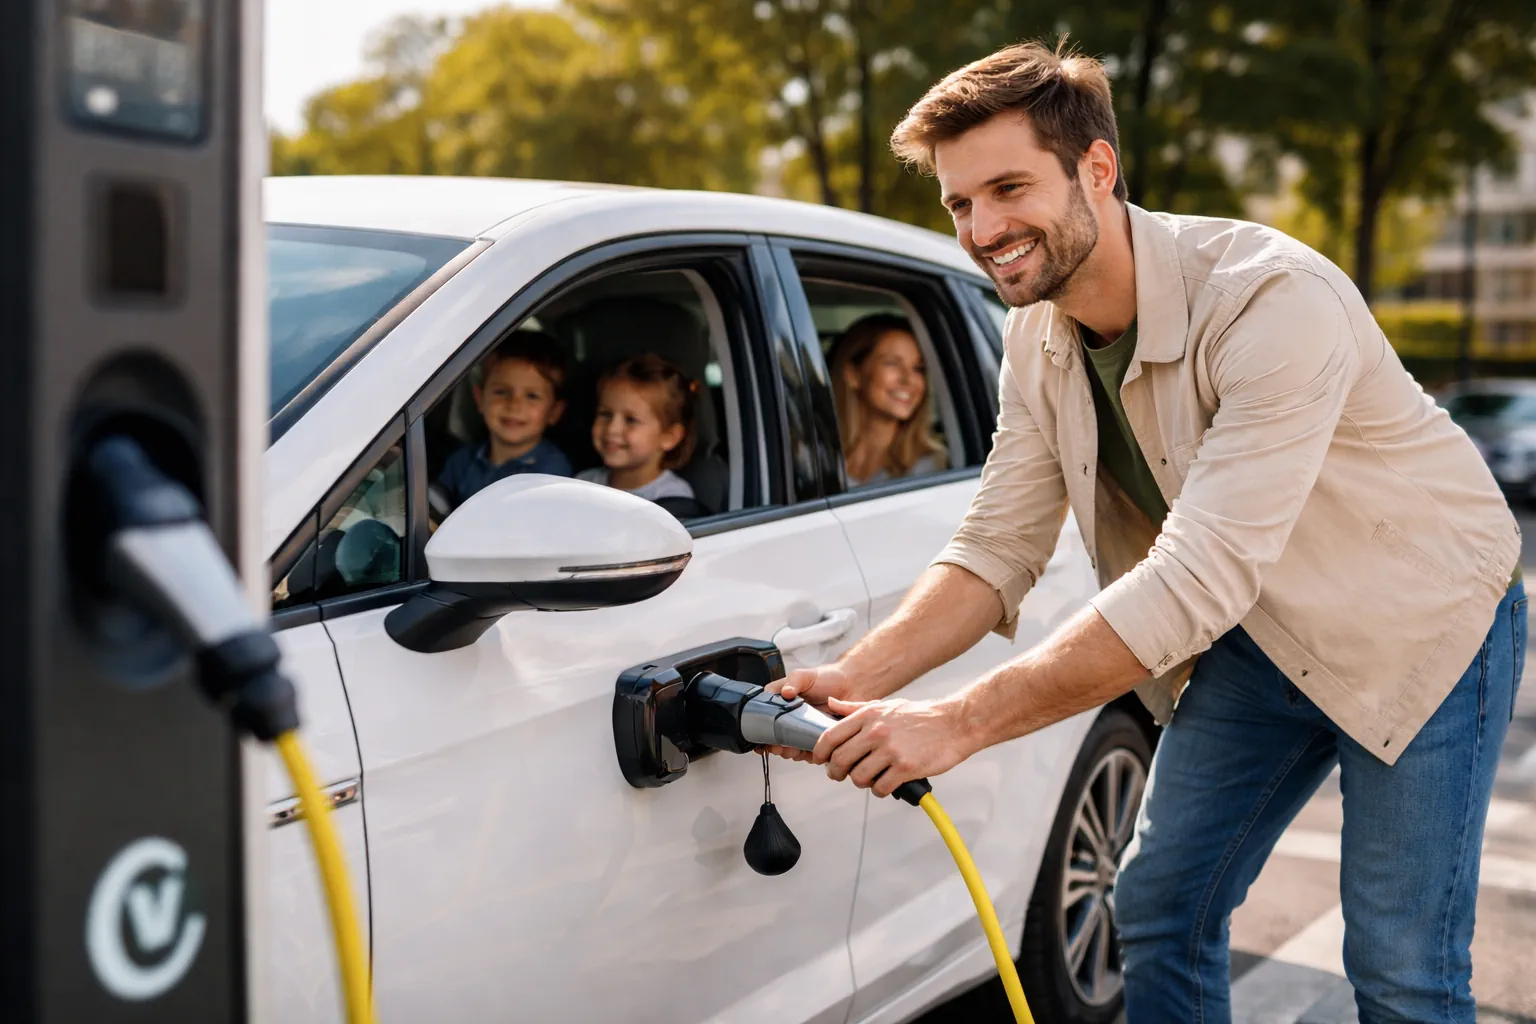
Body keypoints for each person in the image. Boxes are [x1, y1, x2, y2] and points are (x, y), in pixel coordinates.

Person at [765, 39, 1525, 1024]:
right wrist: (859, 679)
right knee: (1158, 910)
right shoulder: (1034, 338)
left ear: (1097, 168)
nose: (983, 228)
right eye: (960, 203)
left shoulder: (1268, 296)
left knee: (1399, 968)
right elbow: (997, 547)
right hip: (1259, 632)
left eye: (1006, 187)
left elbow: (1199, 572)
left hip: (1423, 623)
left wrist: (956, 721)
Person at [434, 330, 573, 510]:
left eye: (531, 396)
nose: (514, 405)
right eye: (501, 392)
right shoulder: (462, 460)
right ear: (479, 398)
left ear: (554, 411)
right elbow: (435, 503)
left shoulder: (552, 473)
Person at [829, 314, 949, 486]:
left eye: (918, 369)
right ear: (852, 374)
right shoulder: (816, 456)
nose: (908, 380)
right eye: (893, 363)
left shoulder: (931, 467)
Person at [578, 354, 698, 508]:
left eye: (631, 420)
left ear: (669, 437)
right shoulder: (582, 484)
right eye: (605, 414)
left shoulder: (674, 500)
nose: (612, 429)